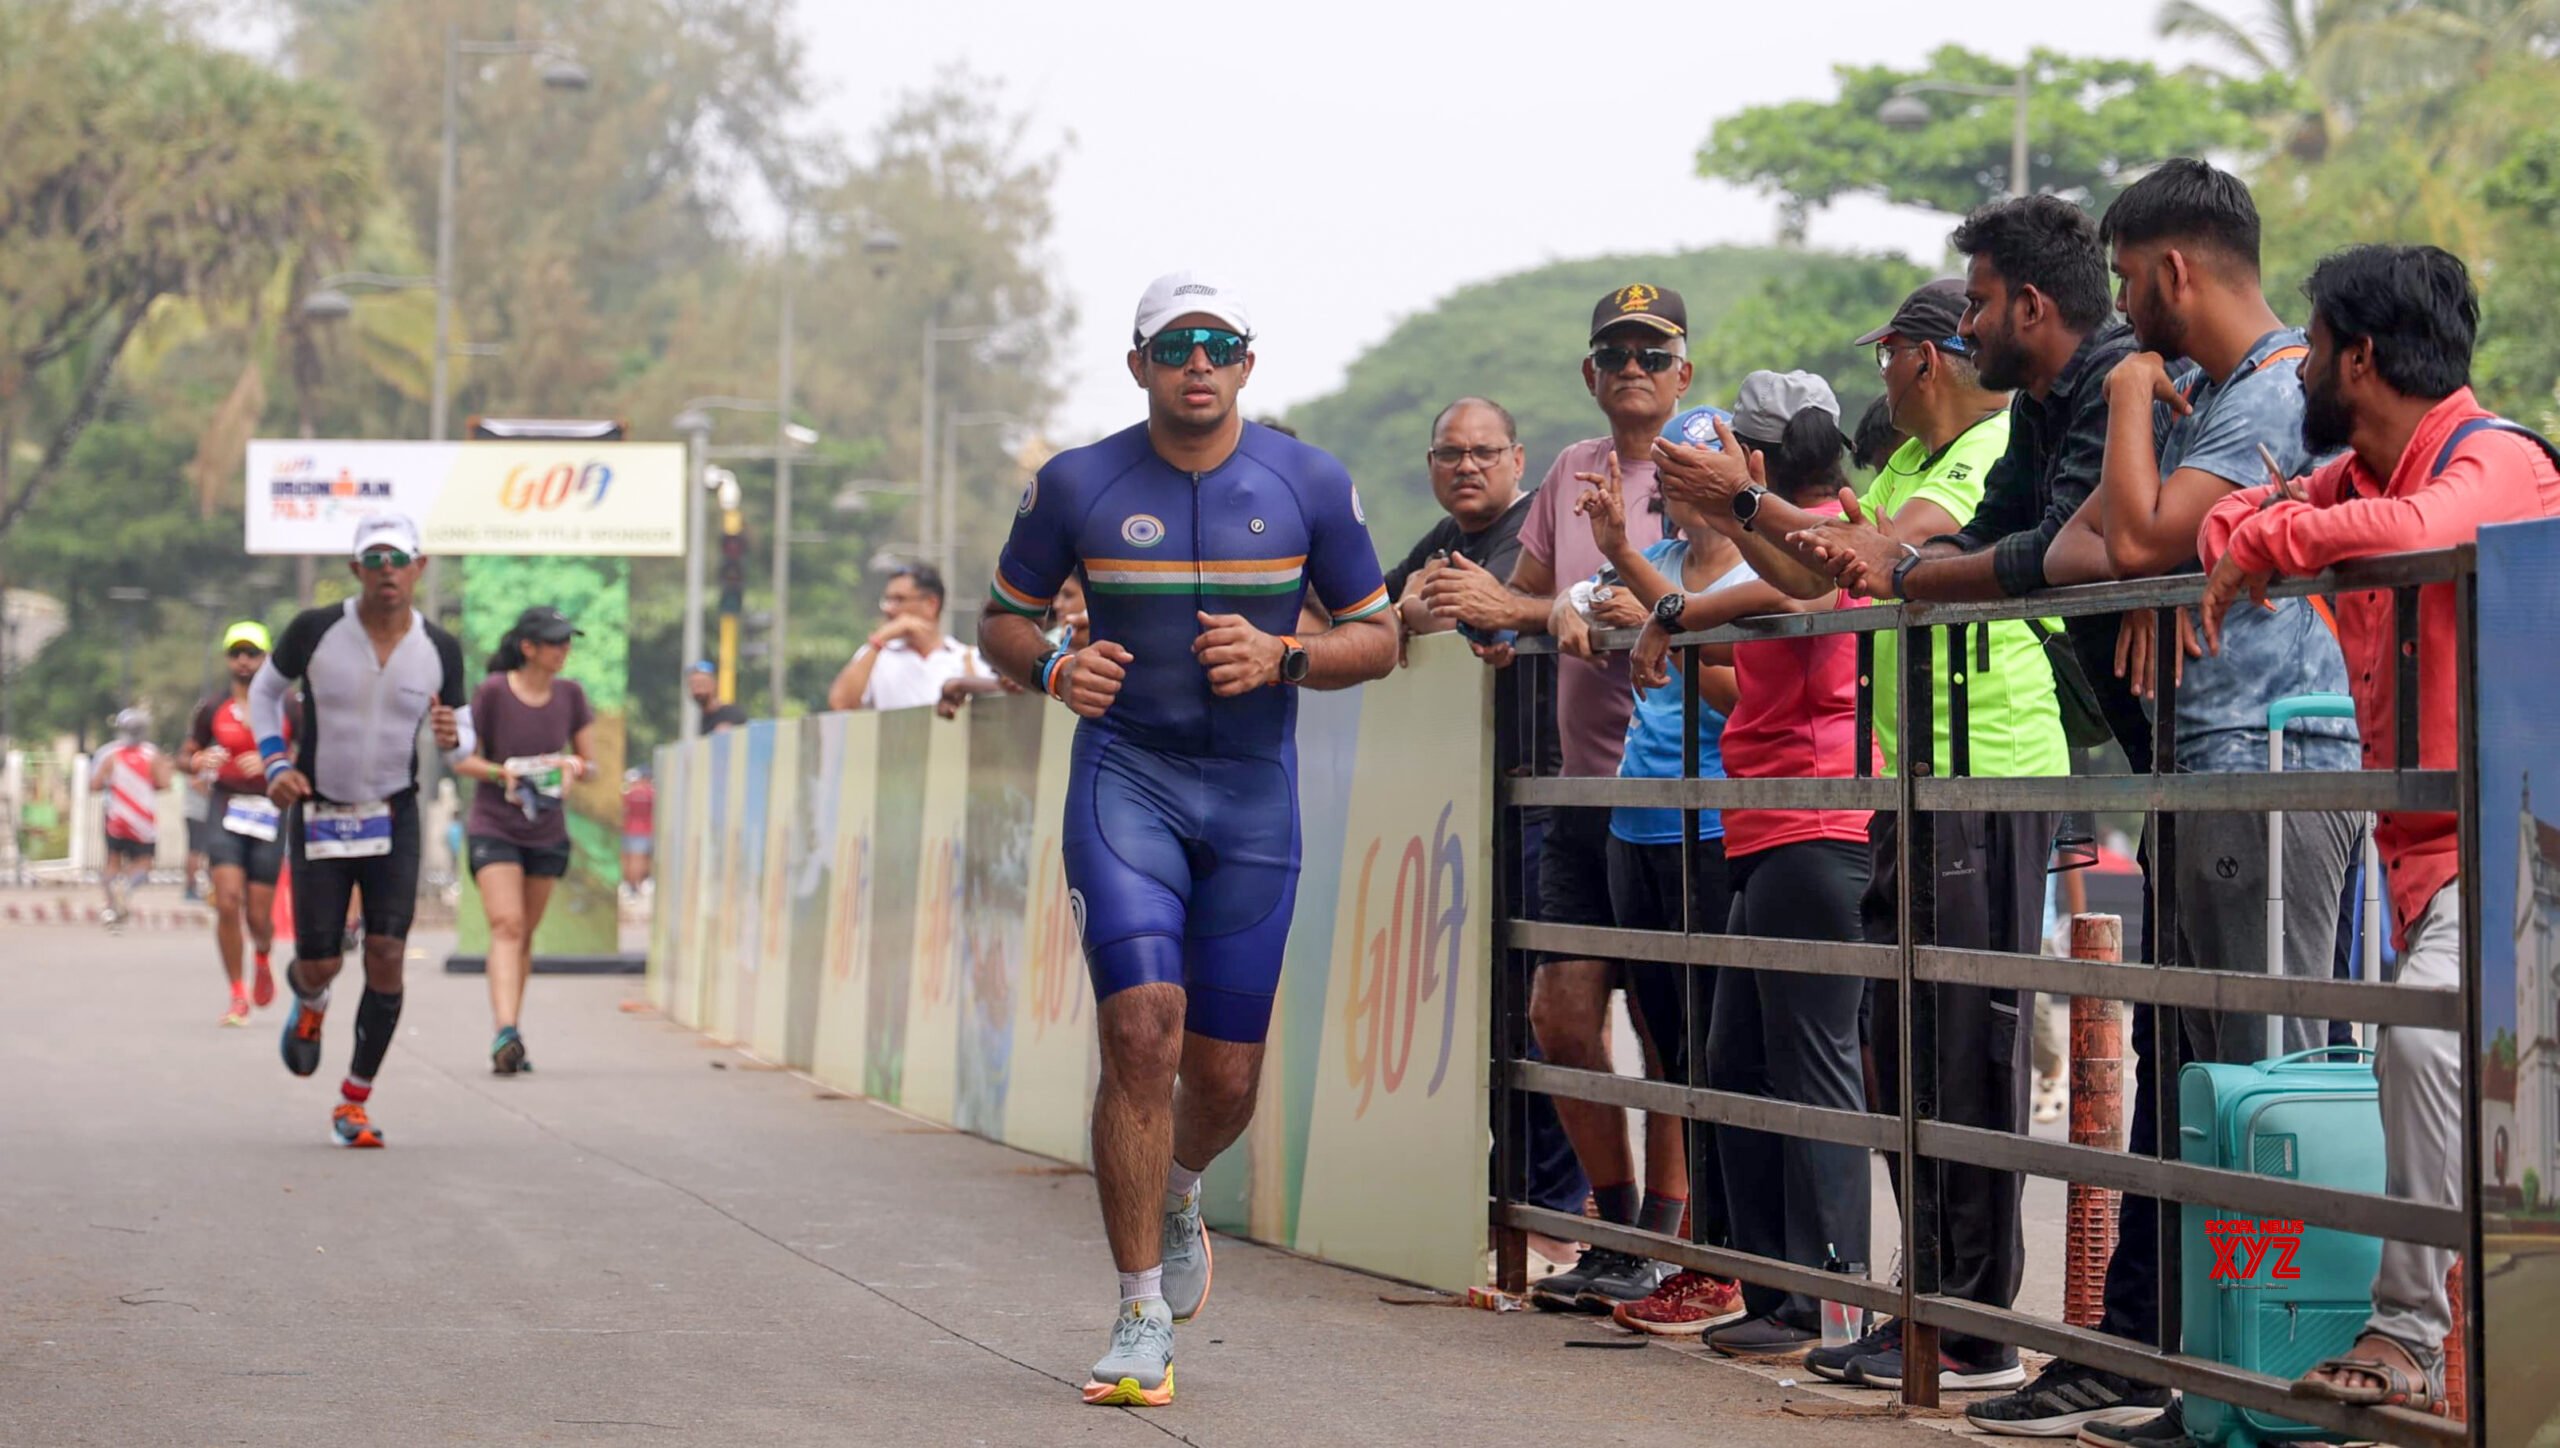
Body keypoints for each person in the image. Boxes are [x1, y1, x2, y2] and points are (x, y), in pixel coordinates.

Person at [979, 271, 1397, 1407]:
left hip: (1253, 796)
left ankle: (1180, 1190)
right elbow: (1000, 621)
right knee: (1141, 1030)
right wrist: (1058, 665)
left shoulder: (1307, 480)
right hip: (1130, 785)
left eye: (1219, 343)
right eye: (1174, 345)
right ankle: (1135, 1313)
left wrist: (1287, 657)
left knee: (1223, 1075)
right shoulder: (1077, 481)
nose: (1197, 361)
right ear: (1138, 366)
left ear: (1249, 364)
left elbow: (1382, 633)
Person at [2201, 243, 2560, 1414]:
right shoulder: (2357, 477)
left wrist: (2271, 534)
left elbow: (2418, 529)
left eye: (2310, 342)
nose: (2297, 363)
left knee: (2425, 1047)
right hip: (2440, 856)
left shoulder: (2496, 458)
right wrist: (2262, 524)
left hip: (2522, 842)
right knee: (2491, 1097)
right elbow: (2229, 527)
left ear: (2357, 355)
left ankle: (2405, 1331)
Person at [1421, 286, 1693, 1315]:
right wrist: (1498, 620)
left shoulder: (1702, 459)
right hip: (1577, 792)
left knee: (1669, 1024)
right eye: (1613, 352)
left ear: (1683, 372)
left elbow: (1653, 599)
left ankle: (1664, 1239)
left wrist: (1542, 607)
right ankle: (1611, 1223)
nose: (1631, 367)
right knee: (1560, 1012)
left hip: (1674, 790)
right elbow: (1523, 601)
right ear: (1590, 373)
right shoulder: (1574, 471)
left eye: (1651, 351)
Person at [1629, 372, 1875, 1357]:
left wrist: (1676, 616)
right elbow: (1754, 662)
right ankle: (1776, 1291)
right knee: (1736, 1059)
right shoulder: (1779, 539)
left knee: (1813, 1067)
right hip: (1763, 822)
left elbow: (1800, 583)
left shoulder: (1825, 531)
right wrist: (1680, 626)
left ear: (1756, 463)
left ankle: (1831, 1294)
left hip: (1815, 823)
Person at [1384, 397, 1590, 1252]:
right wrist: (1404, 613)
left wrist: (1497, 605)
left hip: (1547, 787)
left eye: (1483, 452)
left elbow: (1540, 607)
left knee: (1548, 1008)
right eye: (1450, 453)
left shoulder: (1531, 536)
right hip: (1470, 802)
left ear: (1519, 460)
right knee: (1494, 1012)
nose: (1467, 467)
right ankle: (1511, 1198)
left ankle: (1557, 1210)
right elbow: (1382, 610)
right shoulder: (1441, 546)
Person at [1573, 430, 1758, 1337]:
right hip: (1634, 816)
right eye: (1671, 472)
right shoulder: (1658, 562)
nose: (1679, 484)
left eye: (1696, 468)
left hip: (1715, 820)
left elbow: (1737, 685)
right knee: (1662, 1039)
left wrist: (1665, 626)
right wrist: (1596, 588)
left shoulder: (1749, 574)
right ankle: (1680, 1252)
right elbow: (1588, 611)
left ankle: (1711, 1257)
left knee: (1713, 1048)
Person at [252, 514, 473, 1149]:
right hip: (321, 809)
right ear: (355, 570)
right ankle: (311, 1001)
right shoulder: (316, 631)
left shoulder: (439, 649)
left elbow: (463, 734)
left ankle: (353, 1101)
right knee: (320, 960)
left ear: (419, 568)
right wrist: (274, 763)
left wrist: (458, 738)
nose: (386, 571)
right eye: (373, 560)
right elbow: (264, 696)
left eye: (398, 560)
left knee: (387, 954)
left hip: (393, 813)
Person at [453, 605, 595, 1076]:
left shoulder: (571, 695)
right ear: (528, 647)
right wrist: (503, 772)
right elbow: (464, 760)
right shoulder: (493, 692)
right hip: (495, 824)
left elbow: (589, 763)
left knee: (524, 934)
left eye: (567, 641)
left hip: (547, 830)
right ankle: (505, 1029)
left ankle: (513, 1029)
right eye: (555, 642)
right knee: (507, 926)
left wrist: (573, 768)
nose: (563, 651)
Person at [185, 621, 290, 1025]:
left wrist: (273, 763)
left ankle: (262, 955)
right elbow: (186, 754)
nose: (244, 661)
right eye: (237, 653)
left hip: (269, 809)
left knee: (259, 917)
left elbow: (309, 756)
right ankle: (236, 993)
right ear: (228, 659)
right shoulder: (212, 708)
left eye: (252, 653)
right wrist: (196, 761)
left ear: (266, 658)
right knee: (227, 900)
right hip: (227, 807)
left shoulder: (288, 706)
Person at [827, 563, 990, 712]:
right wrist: (881, 638)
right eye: (887, 600)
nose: (889, 609)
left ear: (931, 604)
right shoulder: (875, 655)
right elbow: (841, 704)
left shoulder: (968, 659)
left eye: (899, 600)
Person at [95, 708, 171, 928]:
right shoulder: (152, 754)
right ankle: (126, 885)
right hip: (142, 820)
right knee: (145, 863)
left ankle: (110, 906)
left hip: (116, 817)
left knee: (112, 861)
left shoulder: (110, 754)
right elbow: (165, 783)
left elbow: (95, 784)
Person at [621, 768, 654, 895]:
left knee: (631, 860)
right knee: (640, 860)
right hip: (644, 831)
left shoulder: (628, 793)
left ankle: (632, 886)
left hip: (629, 830)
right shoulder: (650, 793)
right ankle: (637, 885)